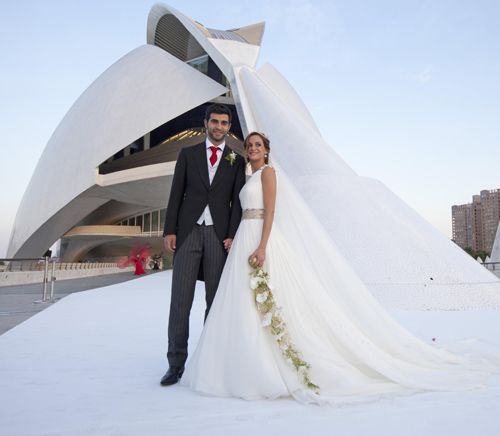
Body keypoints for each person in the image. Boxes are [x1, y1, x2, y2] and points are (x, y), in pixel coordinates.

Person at [181, 132, 498, 405]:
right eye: (249, 145)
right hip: (243, 238)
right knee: (240, 302)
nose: (252, 149)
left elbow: (271, 212)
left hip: (261, 239)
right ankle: (239, 364)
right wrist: (236, 237)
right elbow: (243, 211)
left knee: (270, 298)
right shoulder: (248, 175)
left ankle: (274, 362)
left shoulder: (268, 174)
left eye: (257, 145)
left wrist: (262, 245)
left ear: (266, 150)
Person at [160, 104, 246, 386]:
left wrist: (232, 234)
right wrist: (170, 230)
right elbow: (176, 194)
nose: (219, 127)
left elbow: (236, 203)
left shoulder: (237, 159)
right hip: (188, 234)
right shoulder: (187, 154)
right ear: (205, 123)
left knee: (215, 302)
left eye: (224, 123)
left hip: (218, 236)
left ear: (229, 127)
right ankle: (176, 364)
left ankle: (210, 360)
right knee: (180, 302)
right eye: (215, 122)